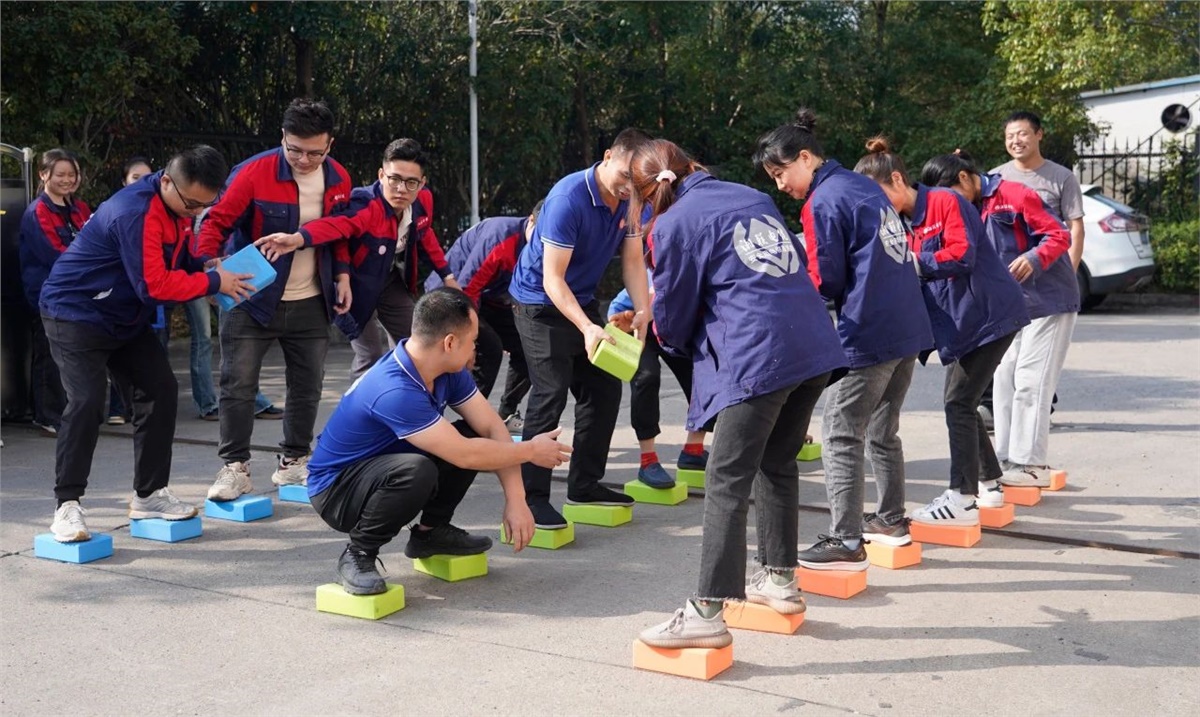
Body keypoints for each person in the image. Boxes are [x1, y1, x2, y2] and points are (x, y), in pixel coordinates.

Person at [625, 139, 847, 650]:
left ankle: (706, 611)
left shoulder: (673, 224)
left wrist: (663, 333)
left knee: (726, 478)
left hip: (758, 354)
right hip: (811, 343)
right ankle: (780, 580)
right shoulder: (752, 196)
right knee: (777, 462)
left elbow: (674, 316)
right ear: (690, 164)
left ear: (646, 194)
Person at [38, 145, 255, 542]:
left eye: (203, 206)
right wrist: (212, 282)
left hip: (123, 314)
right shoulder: (135, 212)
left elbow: (177, 257)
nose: (195, 212)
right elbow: (153, 286)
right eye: (191, 204)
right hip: (75, 312)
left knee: (160, 389)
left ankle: (150, 495)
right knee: (86, 402)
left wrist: (205, 266)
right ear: (167, 181)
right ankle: (66, 505)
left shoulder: (177, 207)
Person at [754, 109, 933, 569]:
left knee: (839, 430)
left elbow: (825, 278)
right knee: (882, 429)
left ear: (805, 157)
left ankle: (846, 540)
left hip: (869, 328)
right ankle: (890, 519)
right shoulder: (861, 186)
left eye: (780, 173)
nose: (781, 185)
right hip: (908, 325)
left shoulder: (823, 200)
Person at [306, 288, 570, 594]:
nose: (475, 350)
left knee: (472, 434)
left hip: (384, 467)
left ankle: (430, 533)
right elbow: (466, 455)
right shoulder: (394, 389)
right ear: (450, 342)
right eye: (473, 342)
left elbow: (491, 427)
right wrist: (531, 450)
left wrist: (517, 500)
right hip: (336, 490)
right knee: (418, 469)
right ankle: (358, 554)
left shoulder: (446, 368)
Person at [855, 138, 1028, 526]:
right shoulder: (904, 223)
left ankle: (961, 499)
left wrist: (915, 263)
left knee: (958, 403)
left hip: (988, 316)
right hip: (963, 325)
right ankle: (990, 485)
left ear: (897, 179)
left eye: (878, 195)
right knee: (962, 401)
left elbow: (962, 255)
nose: (876, 206)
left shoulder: (945, 201)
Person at [197, 98, 353, 502]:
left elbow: (342, 230)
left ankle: (294, 462)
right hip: (251, 295)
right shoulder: (253, 172)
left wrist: (342, 274)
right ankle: (234, 467)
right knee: (238, 384)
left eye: (315, 153)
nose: (303, 160)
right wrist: (211, 269)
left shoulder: (339, 178)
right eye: (295, 150)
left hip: (311, 297)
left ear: (330, 144)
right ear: (282, 137)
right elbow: (214, 223)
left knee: (308, 385)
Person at [508, 128, 654, 529]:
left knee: (604, 387)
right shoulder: (568, 199)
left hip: (580, 298)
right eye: (624, 175)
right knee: (550, 391)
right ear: (607, 157)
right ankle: (531, 498)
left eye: (637, 180)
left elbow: (633, 260)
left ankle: (585, 485)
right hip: (538, 301)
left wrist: (643, 309)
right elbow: (553, 279)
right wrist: (588, 328)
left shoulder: (632, 199)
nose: (629, 187)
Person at [922, 150, 1077, 490]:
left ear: (964, 178)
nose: (946, 202)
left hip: (1047, 299)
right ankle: (1007, 459)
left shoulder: (1014, 194)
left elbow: (1059, 234)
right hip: (1006, 307)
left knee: (1031, 380)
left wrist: (1034, 258)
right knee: (1003, 379)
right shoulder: (961, 208)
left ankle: (1031, 463)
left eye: (948, 193)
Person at [979, 111, 1085, 423]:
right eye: (1010, 136)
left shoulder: (1060, 177)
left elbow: (1073, 229)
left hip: (1048, 282)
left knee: (1037, 361)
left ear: (1039, 134)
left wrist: (1069, 273)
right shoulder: (996, 178)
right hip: (1010, 286)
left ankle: (1038, 412)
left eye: (1023, 134)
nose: (1016, 141)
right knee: (1006, 360)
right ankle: (1004, 415)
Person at [336, 142, 459, 379]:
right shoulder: (363, 203)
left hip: (389, 279)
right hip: (354, 283)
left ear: (421, 183)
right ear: (381, 175)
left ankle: (401, 395)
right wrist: (341, 276)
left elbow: (426, 235)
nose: (401, 189)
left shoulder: (422, 201)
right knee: (369, 355)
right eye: (394, 179)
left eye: (411, 182)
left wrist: (447, 276)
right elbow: (337, 238)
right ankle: (358, 402)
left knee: (415, 343)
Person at [425, 205, 541, 433]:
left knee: (530, 346)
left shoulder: (548, 246)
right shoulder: (500, 238)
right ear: (530, 221)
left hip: (490, 299)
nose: (543, 244)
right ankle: (470, 423)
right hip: (453, 295)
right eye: (540, 235)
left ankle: (506, 413)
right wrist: (470, 343)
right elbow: (467, 290)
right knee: (490, 348)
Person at [606, 275, 708, 488]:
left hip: (673, 327)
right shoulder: (660, 272)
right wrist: (620, 324)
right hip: (635, 323)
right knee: (646, 377)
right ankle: (648, 460)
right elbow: (620, 310)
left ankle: (694, 450)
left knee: (704, 377)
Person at [19, 149, 90, 437]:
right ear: (43, 174)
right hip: (48, 295)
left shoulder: (80, 209)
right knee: (49, 355)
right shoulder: (38, 211)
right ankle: (47, 415)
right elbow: (53, 253)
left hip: (78, 294)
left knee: (72, 355)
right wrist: (89, 265)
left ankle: (71, 412)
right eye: (60, 174)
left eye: (72, 174)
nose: (67, 180)